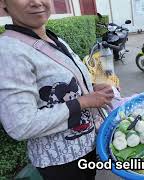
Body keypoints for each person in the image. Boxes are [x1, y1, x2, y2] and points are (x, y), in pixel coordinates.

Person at [0, 0, 117, 179]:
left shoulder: (52, 38)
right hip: (61, 163)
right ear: (4, 3)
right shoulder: (8, 51)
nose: (36, 2)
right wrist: (85, 101)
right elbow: (20, 125)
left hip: (86, 148)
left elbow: (64, 84)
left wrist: (91, 89)